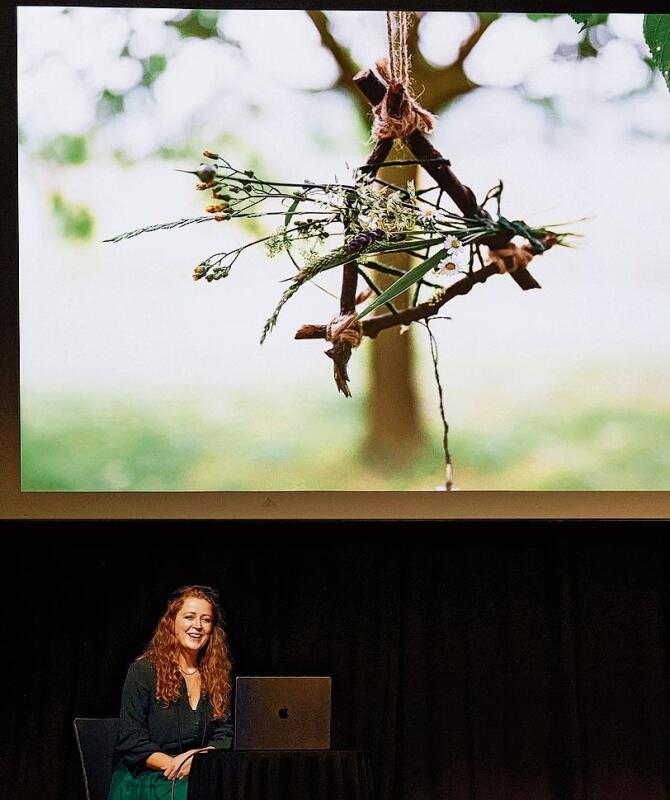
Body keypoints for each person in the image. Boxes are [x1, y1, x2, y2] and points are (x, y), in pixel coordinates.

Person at [109, 585, 234, 800]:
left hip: (196, 774)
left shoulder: (216, 675)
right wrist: (177, 765)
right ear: (172, 623)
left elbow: (224, 733)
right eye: (189, 617)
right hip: (147, 777)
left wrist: (198, 760)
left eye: (206, 619)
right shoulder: (143, 672)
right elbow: (132, 739)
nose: (198, 626)